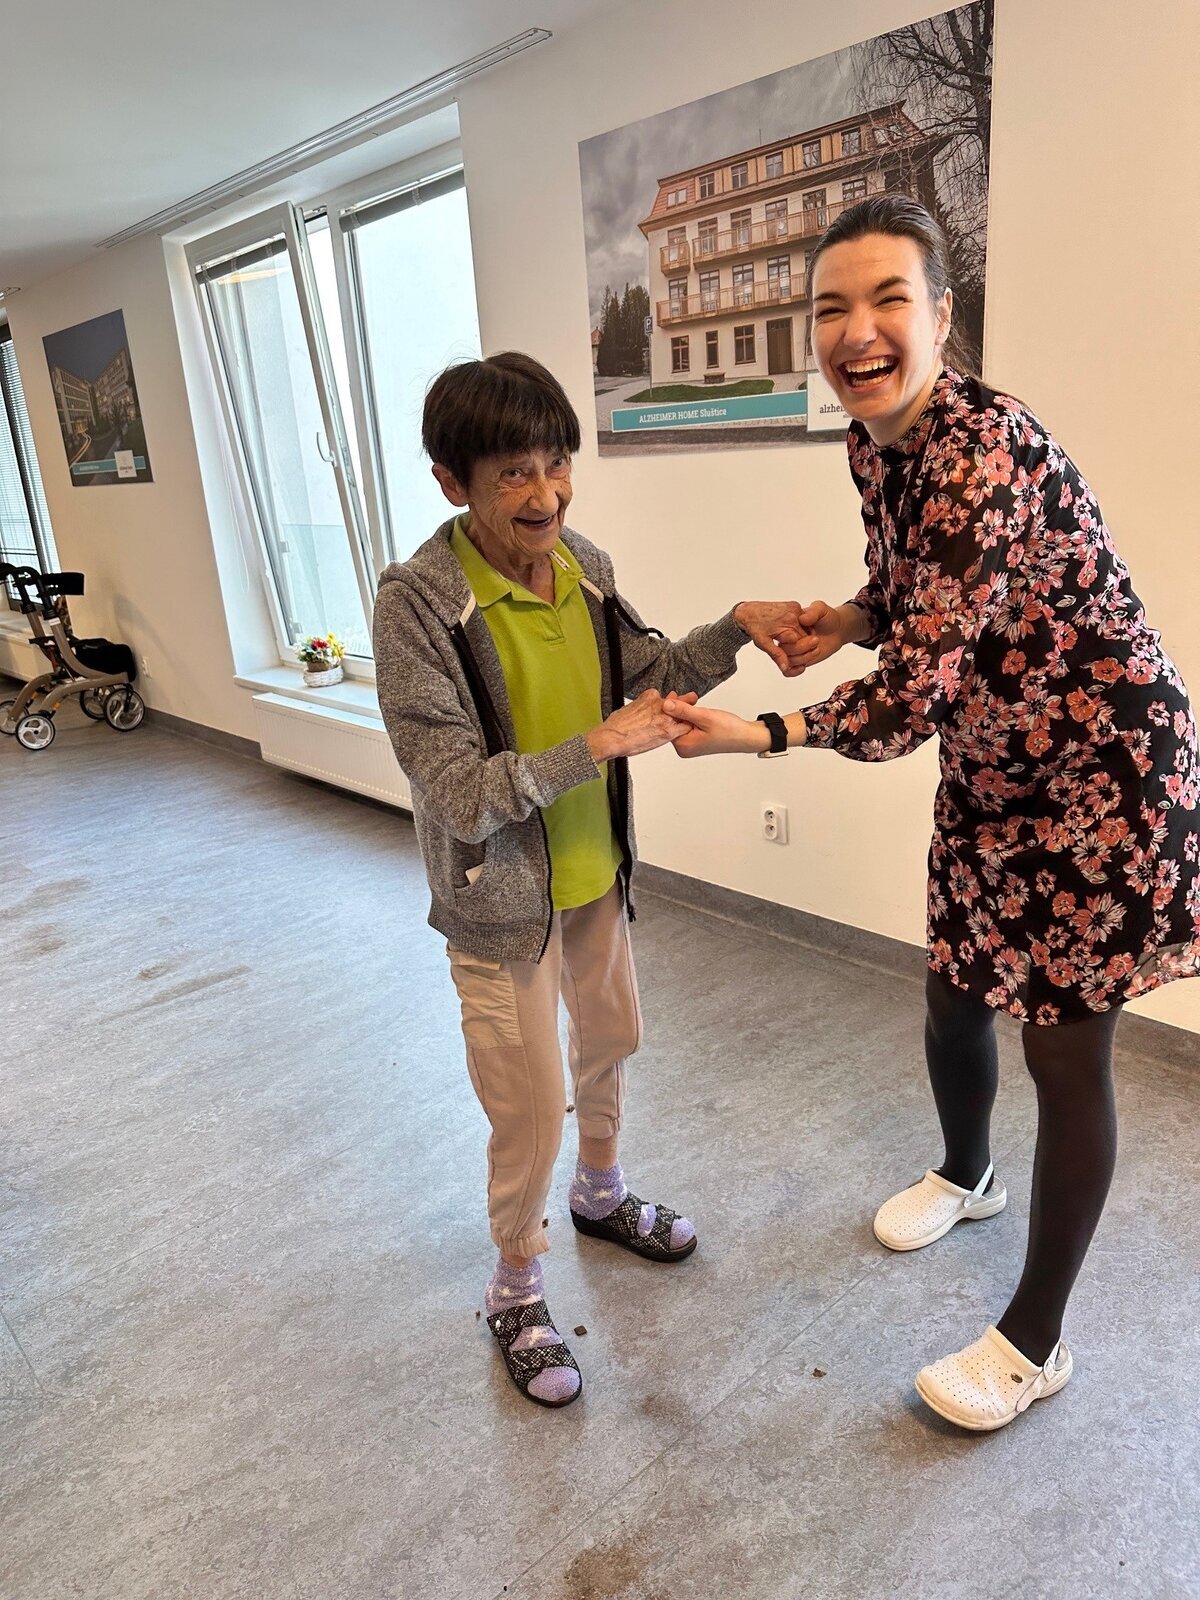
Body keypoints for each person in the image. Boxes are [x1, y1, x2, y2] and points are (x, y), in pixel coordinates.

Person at [664, 195, 1200, 1432]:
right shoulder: (876, 445)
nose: (856, 331)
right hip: (997, 757)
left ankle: (1034, 1341)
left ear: (943, 316)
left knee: (1065, 1050)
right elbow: (915, 586)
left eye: (887, 299)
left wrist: (762, 732)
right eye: (830, 308)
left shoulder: (981, 449)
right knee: (955, 986)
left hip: (1105, 775)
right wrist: (847, 617)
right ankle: (969, 1173)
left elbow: (911, 698)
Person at [373, 351, 807, 1408]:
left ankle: (600, 1196)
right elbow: (455, 791)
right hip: (497, 902)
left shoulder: (584, 566)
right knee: (529, 1106)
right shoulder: (416, 608)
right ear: (452, 482)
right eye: (514, 473)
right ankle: (515, 1285)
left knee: (612, 1039)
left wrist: (735, 629)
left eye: (558, 463)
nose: (547, 494)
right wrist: (594, 747)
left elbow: (650, 679)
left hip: (595, 872)